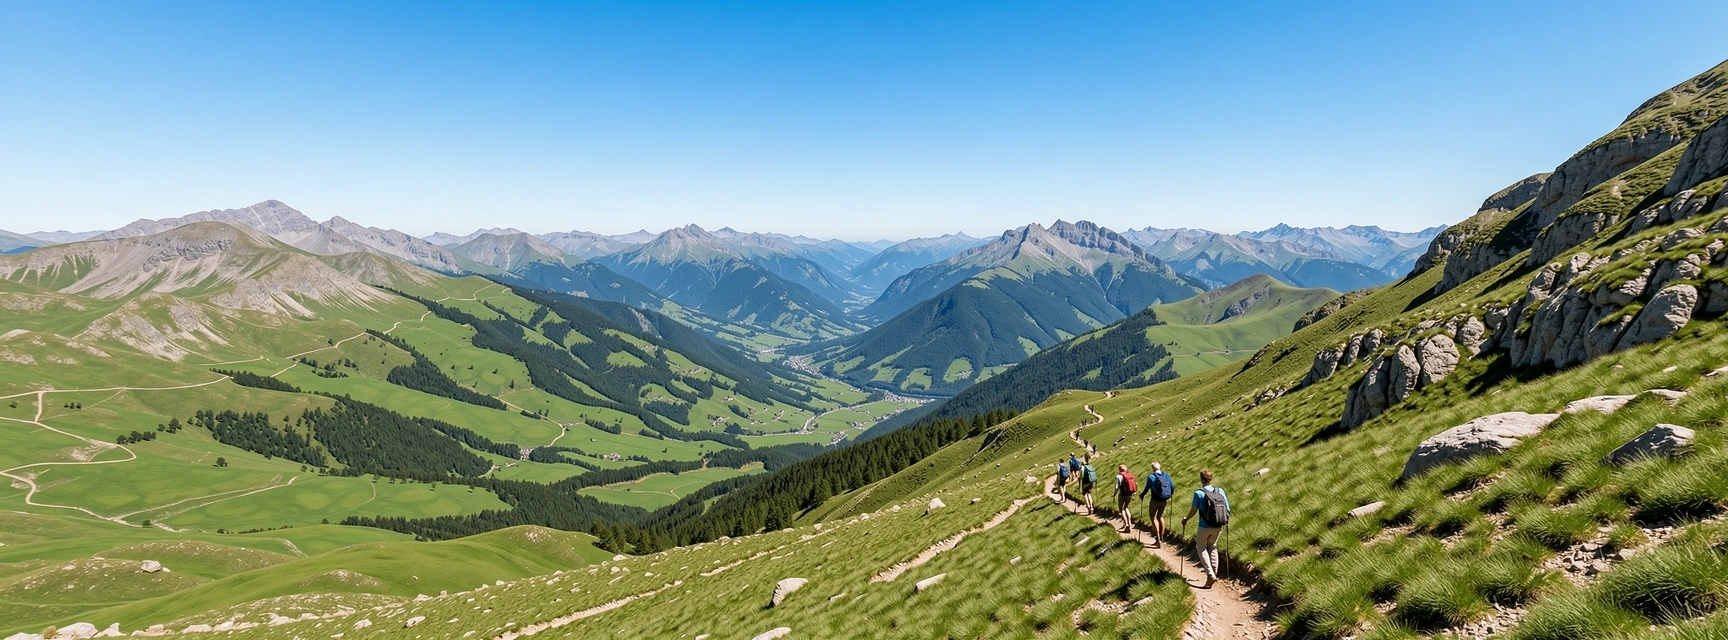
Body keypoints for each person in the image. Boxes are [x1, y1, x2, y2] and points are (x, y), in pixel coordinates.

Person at [1181, 468, 1230, 588]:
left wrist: (1186, 519)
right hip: (1218, 525)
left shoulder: (1199, 493)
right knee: (1212, 547)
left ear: (1201, 479)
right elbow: (1227, 509)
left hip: (1204, 526)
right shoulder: (1220, 491)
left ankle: (1210, 574)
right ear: (1210, 479)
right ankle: (1213, 573)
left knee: (1201, 547)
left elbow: (1194, 510)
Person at [1139, 461, 1174, 549]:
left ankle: (1158, 539)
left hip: (1155, 500)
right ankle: (1162, 538)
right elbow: (1172, 486)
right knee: (1160, 517)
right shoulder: (1166, 475)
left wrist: (1142, 495)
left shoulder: (1151, 477)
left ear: (1153, 468)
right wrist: (1170, 494)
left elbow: (1147, 488)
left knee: (1153, 517)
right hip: (1164, 499)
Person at [1114, 464, 1136, 532]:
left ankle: (1126, 524)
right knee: (1126, 507)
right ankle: (1129, 522)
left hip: (1122, 495)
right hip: (1129, 494)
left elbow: (1117, 487)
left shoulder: (1119, 476)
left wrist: (1114, 494)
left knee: (1122, 509)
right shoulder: (1130, 475)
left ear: (1119, 469)